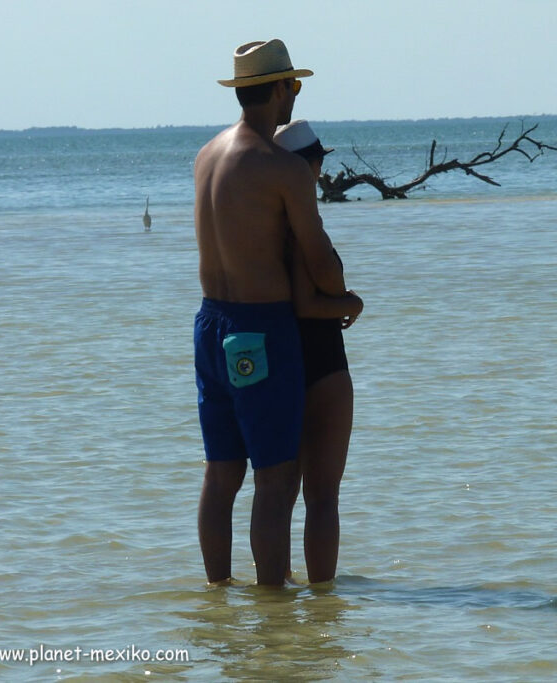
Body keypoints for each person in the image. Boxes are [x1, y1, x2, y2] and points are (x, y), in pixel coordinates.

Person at [193, 39, 345, 586]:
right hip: (260, 327)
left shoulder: (205, 156)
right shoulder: (282, 167)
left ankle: (217, 597)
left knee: (221, 475)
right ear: (280, 88)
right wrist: (345, 297)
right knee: (276, 481)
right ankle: (275, 613)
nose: (293, 96)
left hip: (210, 325)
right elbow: (319, 259)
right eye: (294, 86)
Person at [273, 120, 363, 584]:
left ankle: (277, 594)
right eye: (319, 161)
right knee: (323, 497)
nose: (323, 170)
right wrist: (350, 302)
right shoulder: (302, 221)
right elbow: (316, 294)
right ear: (307, 166)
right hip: (322, 357)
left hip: (279, 356)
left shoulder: (264, 220)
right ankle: (324, 602)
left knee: (278, 491)